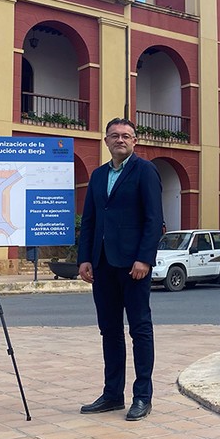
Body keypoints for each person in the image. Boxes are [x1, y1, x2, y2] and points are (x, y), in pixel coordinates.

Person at [77, 118, 164, 421]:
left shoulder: (145, 171)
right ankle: (113, 394)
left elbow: (154, 219)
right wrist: (84, 258)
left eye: (126, 135)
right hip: (102, 265)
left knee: (139, 329)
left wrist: (144, 259)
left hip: (133, 266)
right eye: (114, 135)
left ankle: (142, 396)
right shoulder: (99, 176)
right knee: (109, 330)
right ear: (106, 141)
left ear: (134, 141)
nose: (120, 140)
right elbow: (89, 220)